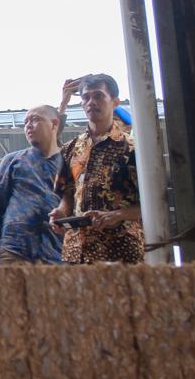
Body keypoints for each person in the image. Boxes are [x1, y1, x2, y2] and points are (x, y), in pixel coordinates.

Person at [49, 74, 144, 263]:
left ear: (115, 102)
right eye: (86, 97)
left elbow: (152, 203)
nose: (91, 101)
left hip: (121, 252)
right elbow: (67, 192)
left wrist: (116, 215)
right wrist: (60, 212)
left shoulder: (133, 148)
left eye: (99, 96)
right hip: (76, 253)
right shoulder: (70, 148)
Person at [0, 106, 64, 265]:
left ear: (54, 124)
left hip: (57, 252)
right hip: (15, 250)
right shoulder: (13, 160)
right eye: (25, 122)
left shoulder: (71, 162)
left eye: (35, 119)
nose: (28, 125)